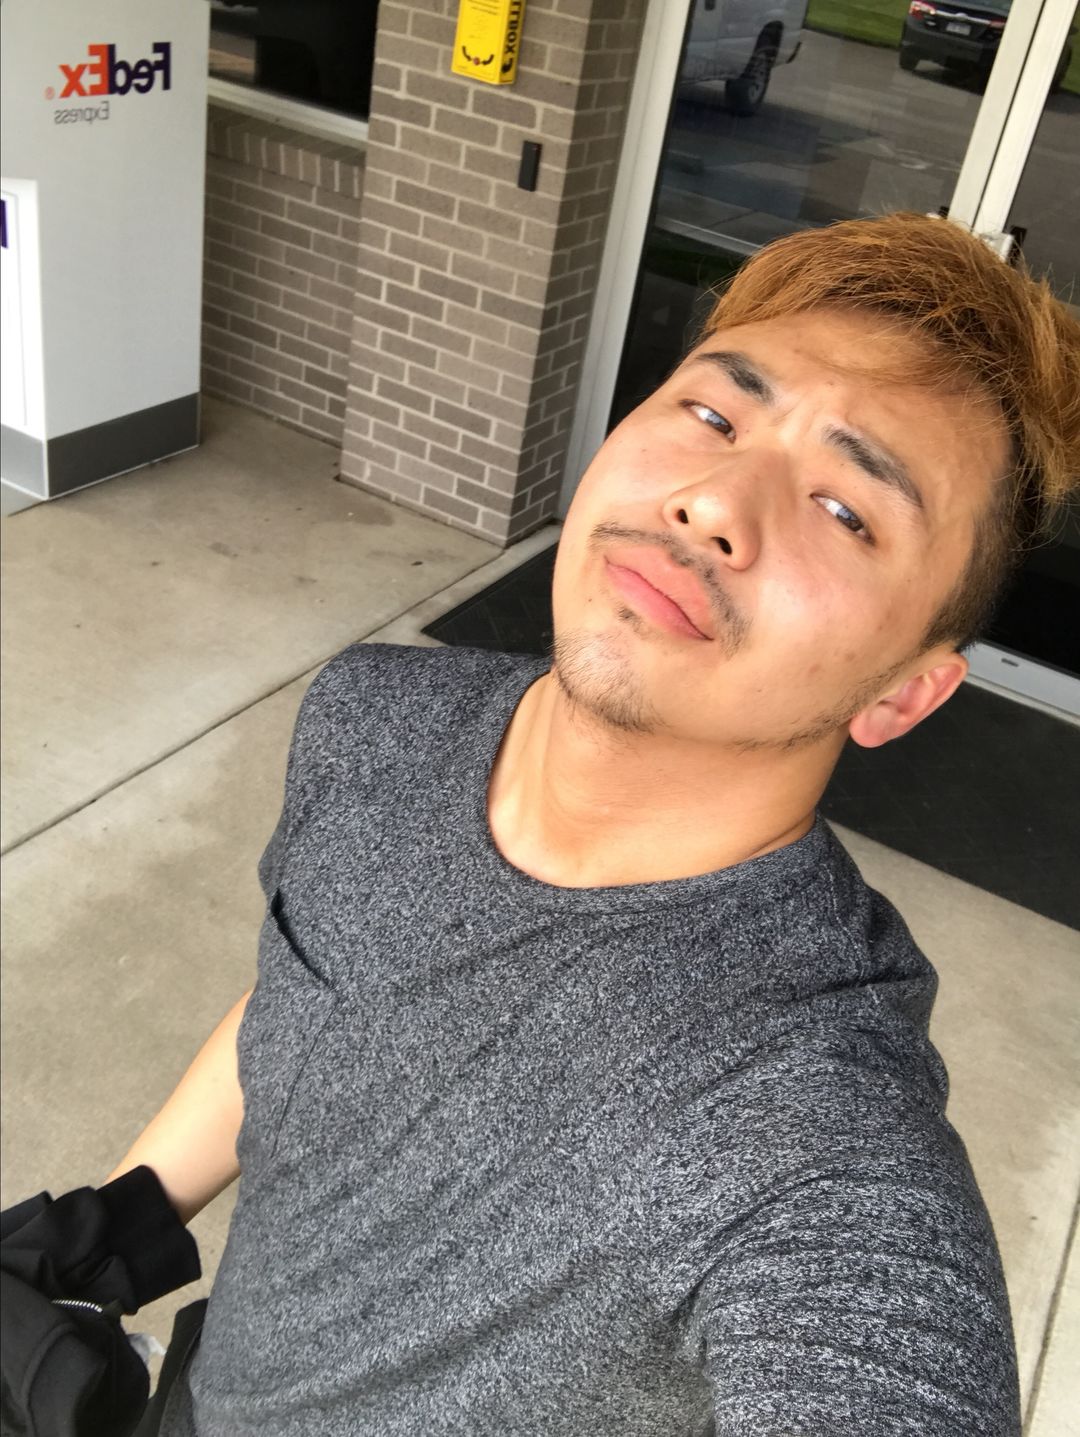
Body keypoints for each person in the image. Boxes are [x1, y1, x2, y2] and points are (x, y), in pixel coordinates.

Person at [108, 212, 1080, 1435]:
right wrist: (107, 1228)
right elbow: (308, 990)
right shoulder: (376, 718)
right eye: (714, 415)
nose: (713, 501)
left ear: (903, 694)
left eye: (846, 510)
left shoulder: (810, 1119)